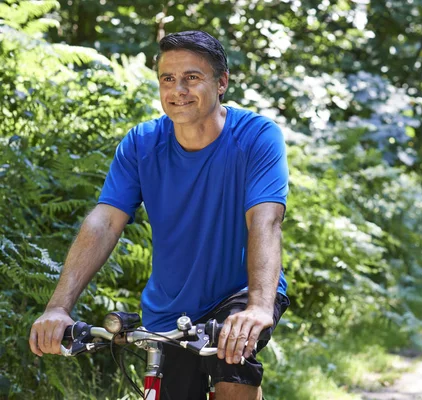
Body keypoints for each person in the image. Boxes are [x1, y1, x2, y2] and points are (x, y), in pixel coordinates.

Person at [29, 30, 290, 400]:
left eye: (192, 78)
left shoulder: (257, 137)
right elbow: (105, 221)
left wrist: (259, 307)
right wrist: (57, 307)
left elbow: (265, 221)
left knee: (234, 372)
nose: (178, 89)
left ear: (222, 83)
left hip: (241, 294)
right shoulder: (141, 143)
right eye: (168, 78)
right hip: (169, 308)